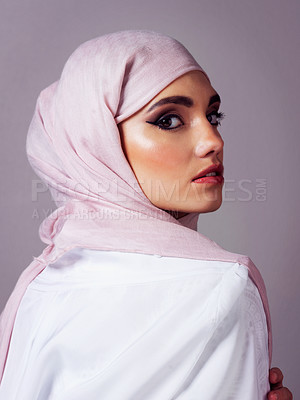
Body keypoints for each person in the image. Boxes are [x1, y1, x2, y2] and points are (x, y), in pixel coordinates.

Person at [0, 30, 292, 399]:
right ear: (98, 142)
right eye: (169, 120)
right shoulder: (221, 289)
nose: (213, 141)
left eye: (213, 116)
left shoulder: (41, 284)